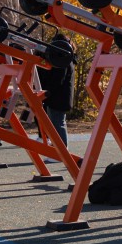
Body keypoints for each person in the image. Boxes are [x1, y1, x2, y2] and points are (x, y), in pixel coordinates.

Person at [38, 33, 75, 161]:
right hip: (59, 96)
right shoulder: (64, 58)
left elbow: (57, 80)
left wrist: (48, 89)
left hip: (59, 97)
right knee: (55, 124)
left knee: (57, 124)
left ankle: (61, 152)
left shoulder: (62, 60)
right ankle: (58, 150)